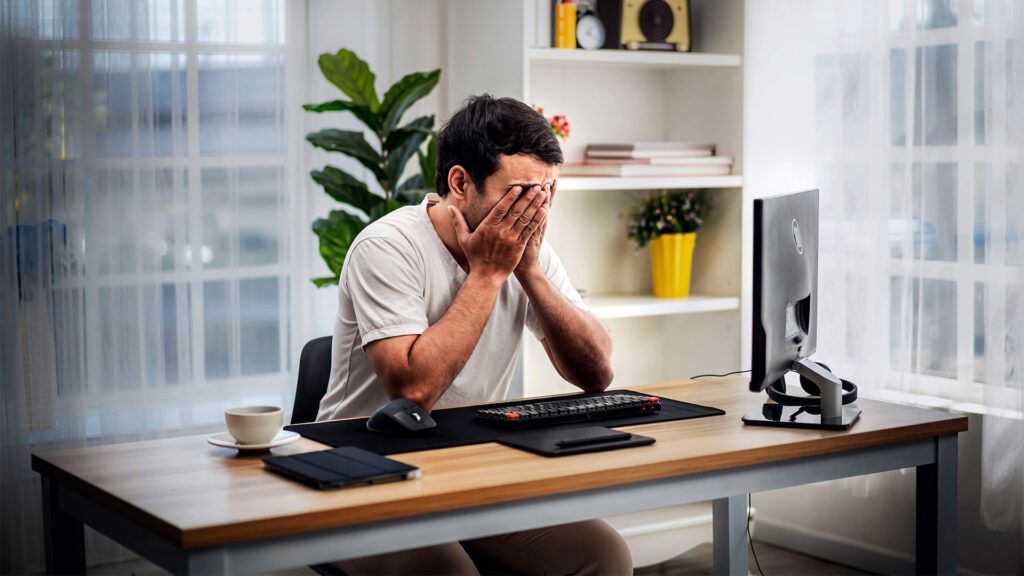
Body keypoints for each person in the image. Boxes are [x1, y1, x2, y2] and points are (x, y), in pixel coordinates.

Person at [318, 94, 632, 575]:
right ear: (461, 183)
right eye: (523, 192)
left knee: (603, 556)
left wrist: (531, 274)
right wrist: (487, 273)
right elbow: (411, 393)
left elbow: (597, 373)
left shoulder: (528, 250)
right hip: (360, 471)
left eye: (548, 192)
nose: (537, 209)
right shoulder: (386, 246)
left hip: (467, 467)